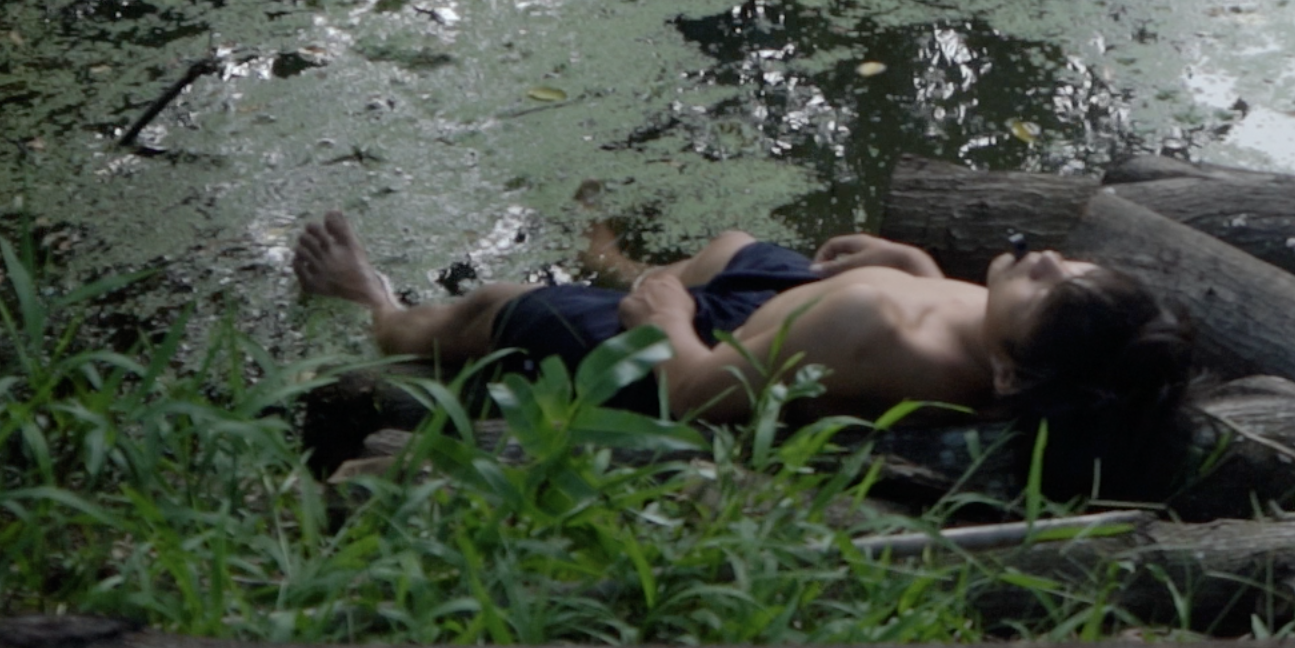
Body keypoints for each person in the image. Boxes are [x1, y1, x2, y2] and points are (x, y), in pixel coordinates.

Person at [289, 211, 1197, 491]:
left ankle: (380, 307)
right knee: (731, 246)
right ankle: (625, 265)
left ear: (1008, 370)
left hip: (706, 351)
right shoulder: (1022, 350)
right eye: (1069, 263)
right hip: (803, 306)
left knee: (494, 307)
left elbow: (691, 396)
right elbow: (960, 311)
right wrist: (912, 262)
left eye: (1047, 283)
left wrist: (667, 321)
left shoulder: (873, 336)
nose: (1043, 258)